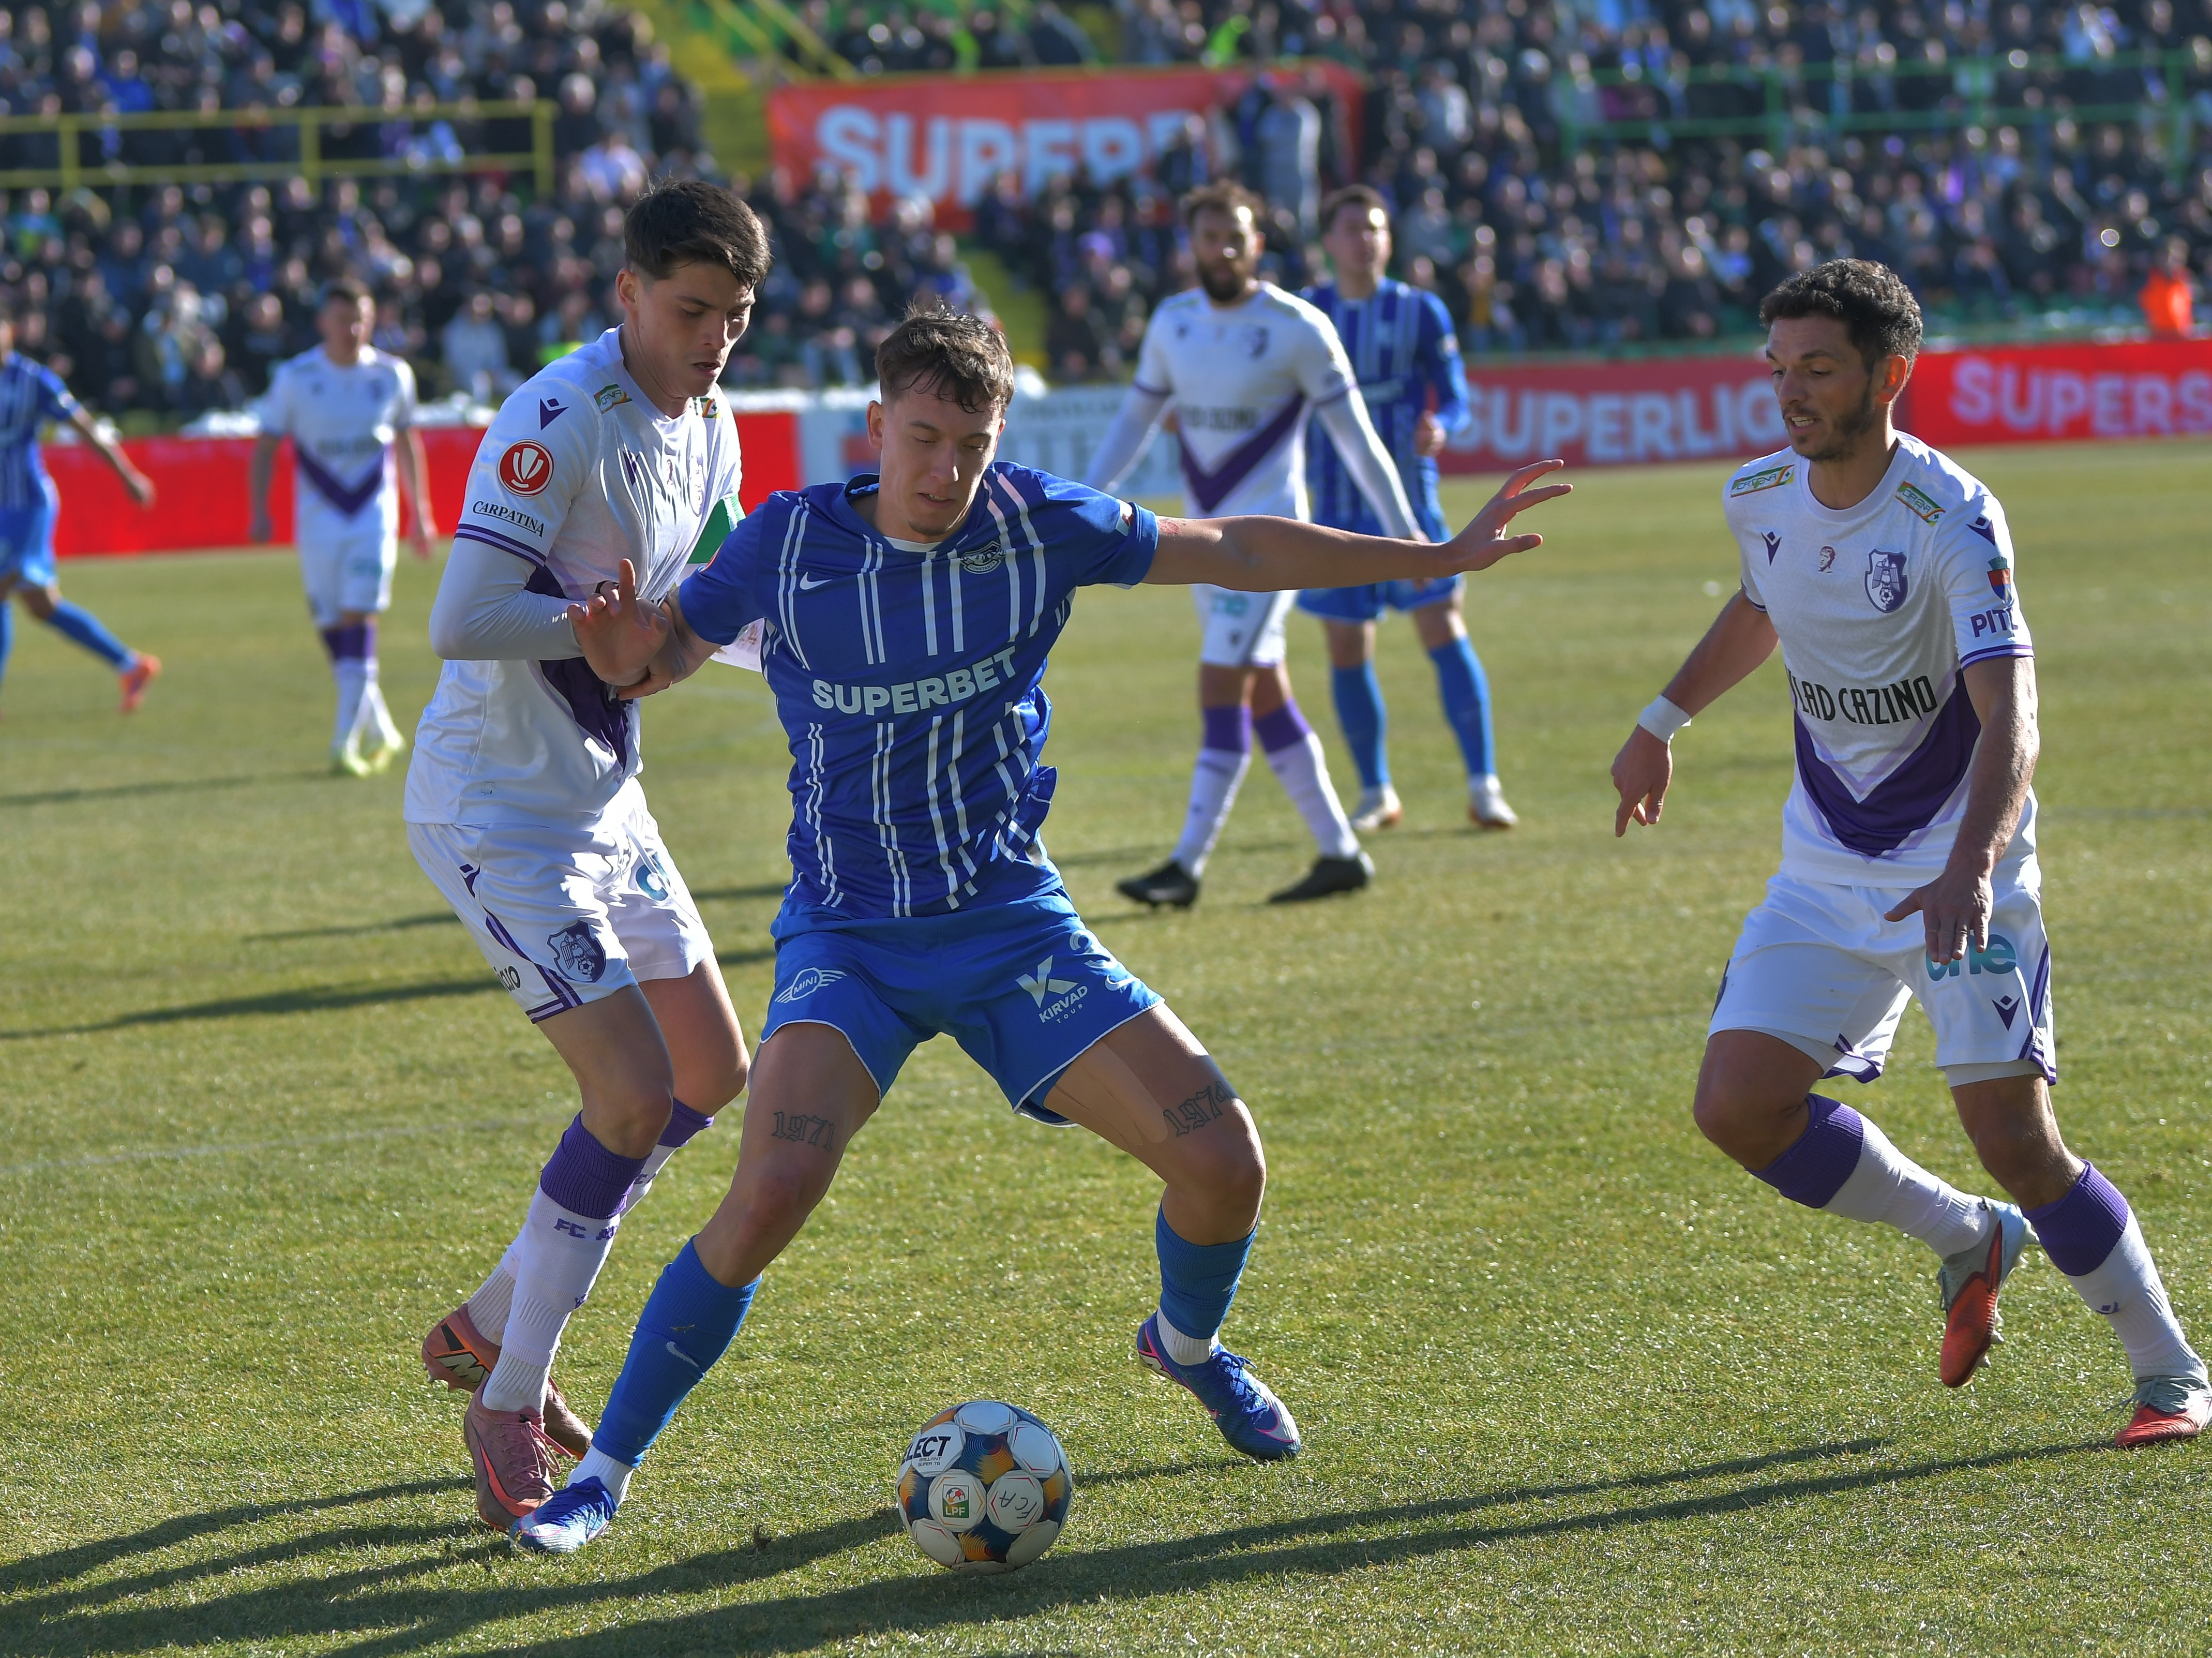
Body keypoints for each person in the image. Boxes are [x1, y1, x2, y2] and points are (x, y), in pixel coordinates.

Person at [506, 307, 1570, 1553]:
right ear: (876, 425)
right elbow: (664, 653)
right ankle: (604, 1479)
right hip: (852, 943)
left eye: (971, 440)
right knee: (770, 1189)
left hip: (1016, 931)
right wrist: (632, 654)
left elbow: (1227, 544)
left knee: (1226, 1163)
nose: (945, 469)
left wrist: (1431, 548)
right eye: (923, 437)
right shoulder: (790, 544)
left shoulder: (1035, 525)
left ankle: (1184, 1346)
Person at [1610, 259, 2209, 1448]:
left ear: (1893, 373)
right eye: (1779, 367)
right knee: (1737, 1105)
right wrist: (1661, 720)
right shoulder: (1761, 493)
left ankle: (2172, 1369)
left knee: (2016, 1135)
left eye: (1819, 367)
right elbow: (1759, 604)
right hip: (1826, 864)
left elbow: (2013, 716)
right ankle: (1963, 1233)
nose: (1792, 391)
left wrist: (1974, 865)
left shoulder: (1953, 515)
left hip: (1959, 863)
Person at [402, 179, 765, 1533]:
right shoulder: (556, 416)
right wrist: (598, 633)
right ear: (625, 294)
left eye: (733, 315)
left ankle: (492, 1316)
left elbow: (693, 616)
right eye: (688, 311)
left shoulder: (716, 426)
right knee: (628, 1096)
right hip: (497, 809)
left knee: (707, 1072)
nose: (713, 339)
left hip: (606, 799)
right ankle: (507, 1391)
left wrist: (709, 649)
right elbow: (463, 614)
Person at [1085, 182, 1426, 908]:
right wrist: (1080, 503)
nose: (1224, 250)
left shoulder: (1298, 327)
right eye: (1210, 238)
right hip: (1201, 546)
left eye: (1236, 237)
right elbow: (1132, 423)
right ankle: (1340, 852)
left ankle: (1185, 865)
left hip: (1270, 548)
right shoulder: (1173, 324)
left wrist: (1404, 529)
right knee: (1265, 691)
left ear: (1258, 244)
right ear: (1193, 246)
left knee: (1219, 685)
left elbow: (1357, 441)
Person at [1298, 185, 1514, 833]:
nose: (1364, 239)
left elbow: (1454, 395)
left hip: (1409, 496)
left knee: (1442, 628)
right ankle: (1375, 792)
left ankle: (1483, 785)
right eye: (1351, 228)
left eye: (1374, 228)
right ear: (1328, 242)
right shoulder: (1307, 313)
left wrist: (1443, 423)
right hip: (1333, 501)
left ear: (1387, 240)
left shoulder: (1420, 311)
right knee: (1345, 644)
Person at [250, 278, 434, 774]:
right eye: (342, 319)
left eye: (362, 319)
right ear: (322, 323)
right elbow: (266, 444)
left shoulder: (393, 375)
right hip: (316, 523)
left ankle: (343, 744)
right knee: (331, 627)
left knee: (359, 618)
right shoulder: (295, 377)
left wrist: (421, 513)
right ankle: (382, 729)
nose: (353, 329)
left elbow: (408, 443)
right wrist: (259, 510)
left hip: (372, 518)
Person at [0, 298, 161, 715]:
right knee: (42, 606)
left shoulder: (34, 381)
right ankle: (130, 664)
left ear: (10, 332)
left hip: (28, 506)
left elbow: (86, 428)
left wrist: (128, 476)